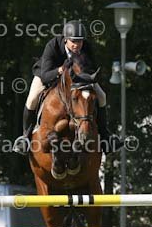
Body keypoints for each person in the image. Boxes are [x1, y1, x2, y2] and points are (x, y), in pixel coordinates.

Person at [14, 20, 119, 154]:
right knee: (32, 98)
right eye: (73, 41)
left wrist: (86, 76)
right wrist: (60, 70)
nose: (77, 45)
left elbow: (91, 69)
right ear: (65, 40)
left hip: (77, 78)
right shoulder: (52, 46)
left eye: (80, 41)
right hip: (49, 73)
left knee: (102, 96)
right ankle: (25, 137)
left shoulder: (86, 47)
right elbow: (45, 75)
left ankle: (105, 136)